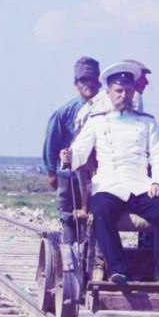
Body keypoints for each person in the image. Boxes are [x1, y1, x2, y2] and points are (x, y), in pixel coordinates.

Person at [61, 62, 159, 285]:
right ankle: (119, 270)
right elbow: (79, 153)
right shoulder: (97, 121)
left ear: (134, 92)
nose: (124, 96)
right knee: (100, 209)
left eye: (128, 91)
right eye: (118, 91)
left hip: (140, 184)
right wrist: (69, 157)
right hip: (109, 185)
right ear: (109, 93)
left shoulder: (148, 122)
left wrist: (158, 182)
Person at [42, 57, 100, 241]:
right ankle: (69, 262)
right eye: (84, 80)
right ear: (76, 84)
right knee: (69, 219)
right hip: (69, 176)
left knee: (95, 220)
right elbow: (50, 144)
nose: (89, 84)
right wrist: (51, 172)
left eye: (93, 79)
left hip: (97, 176)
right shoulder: (64, 112)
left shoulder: (107, 109)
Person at [74, 58, 152, 130]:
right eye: (142, 76)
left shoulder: (98, 99)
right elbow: (135, 129)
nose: (146, 82)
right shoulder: (134, 97)